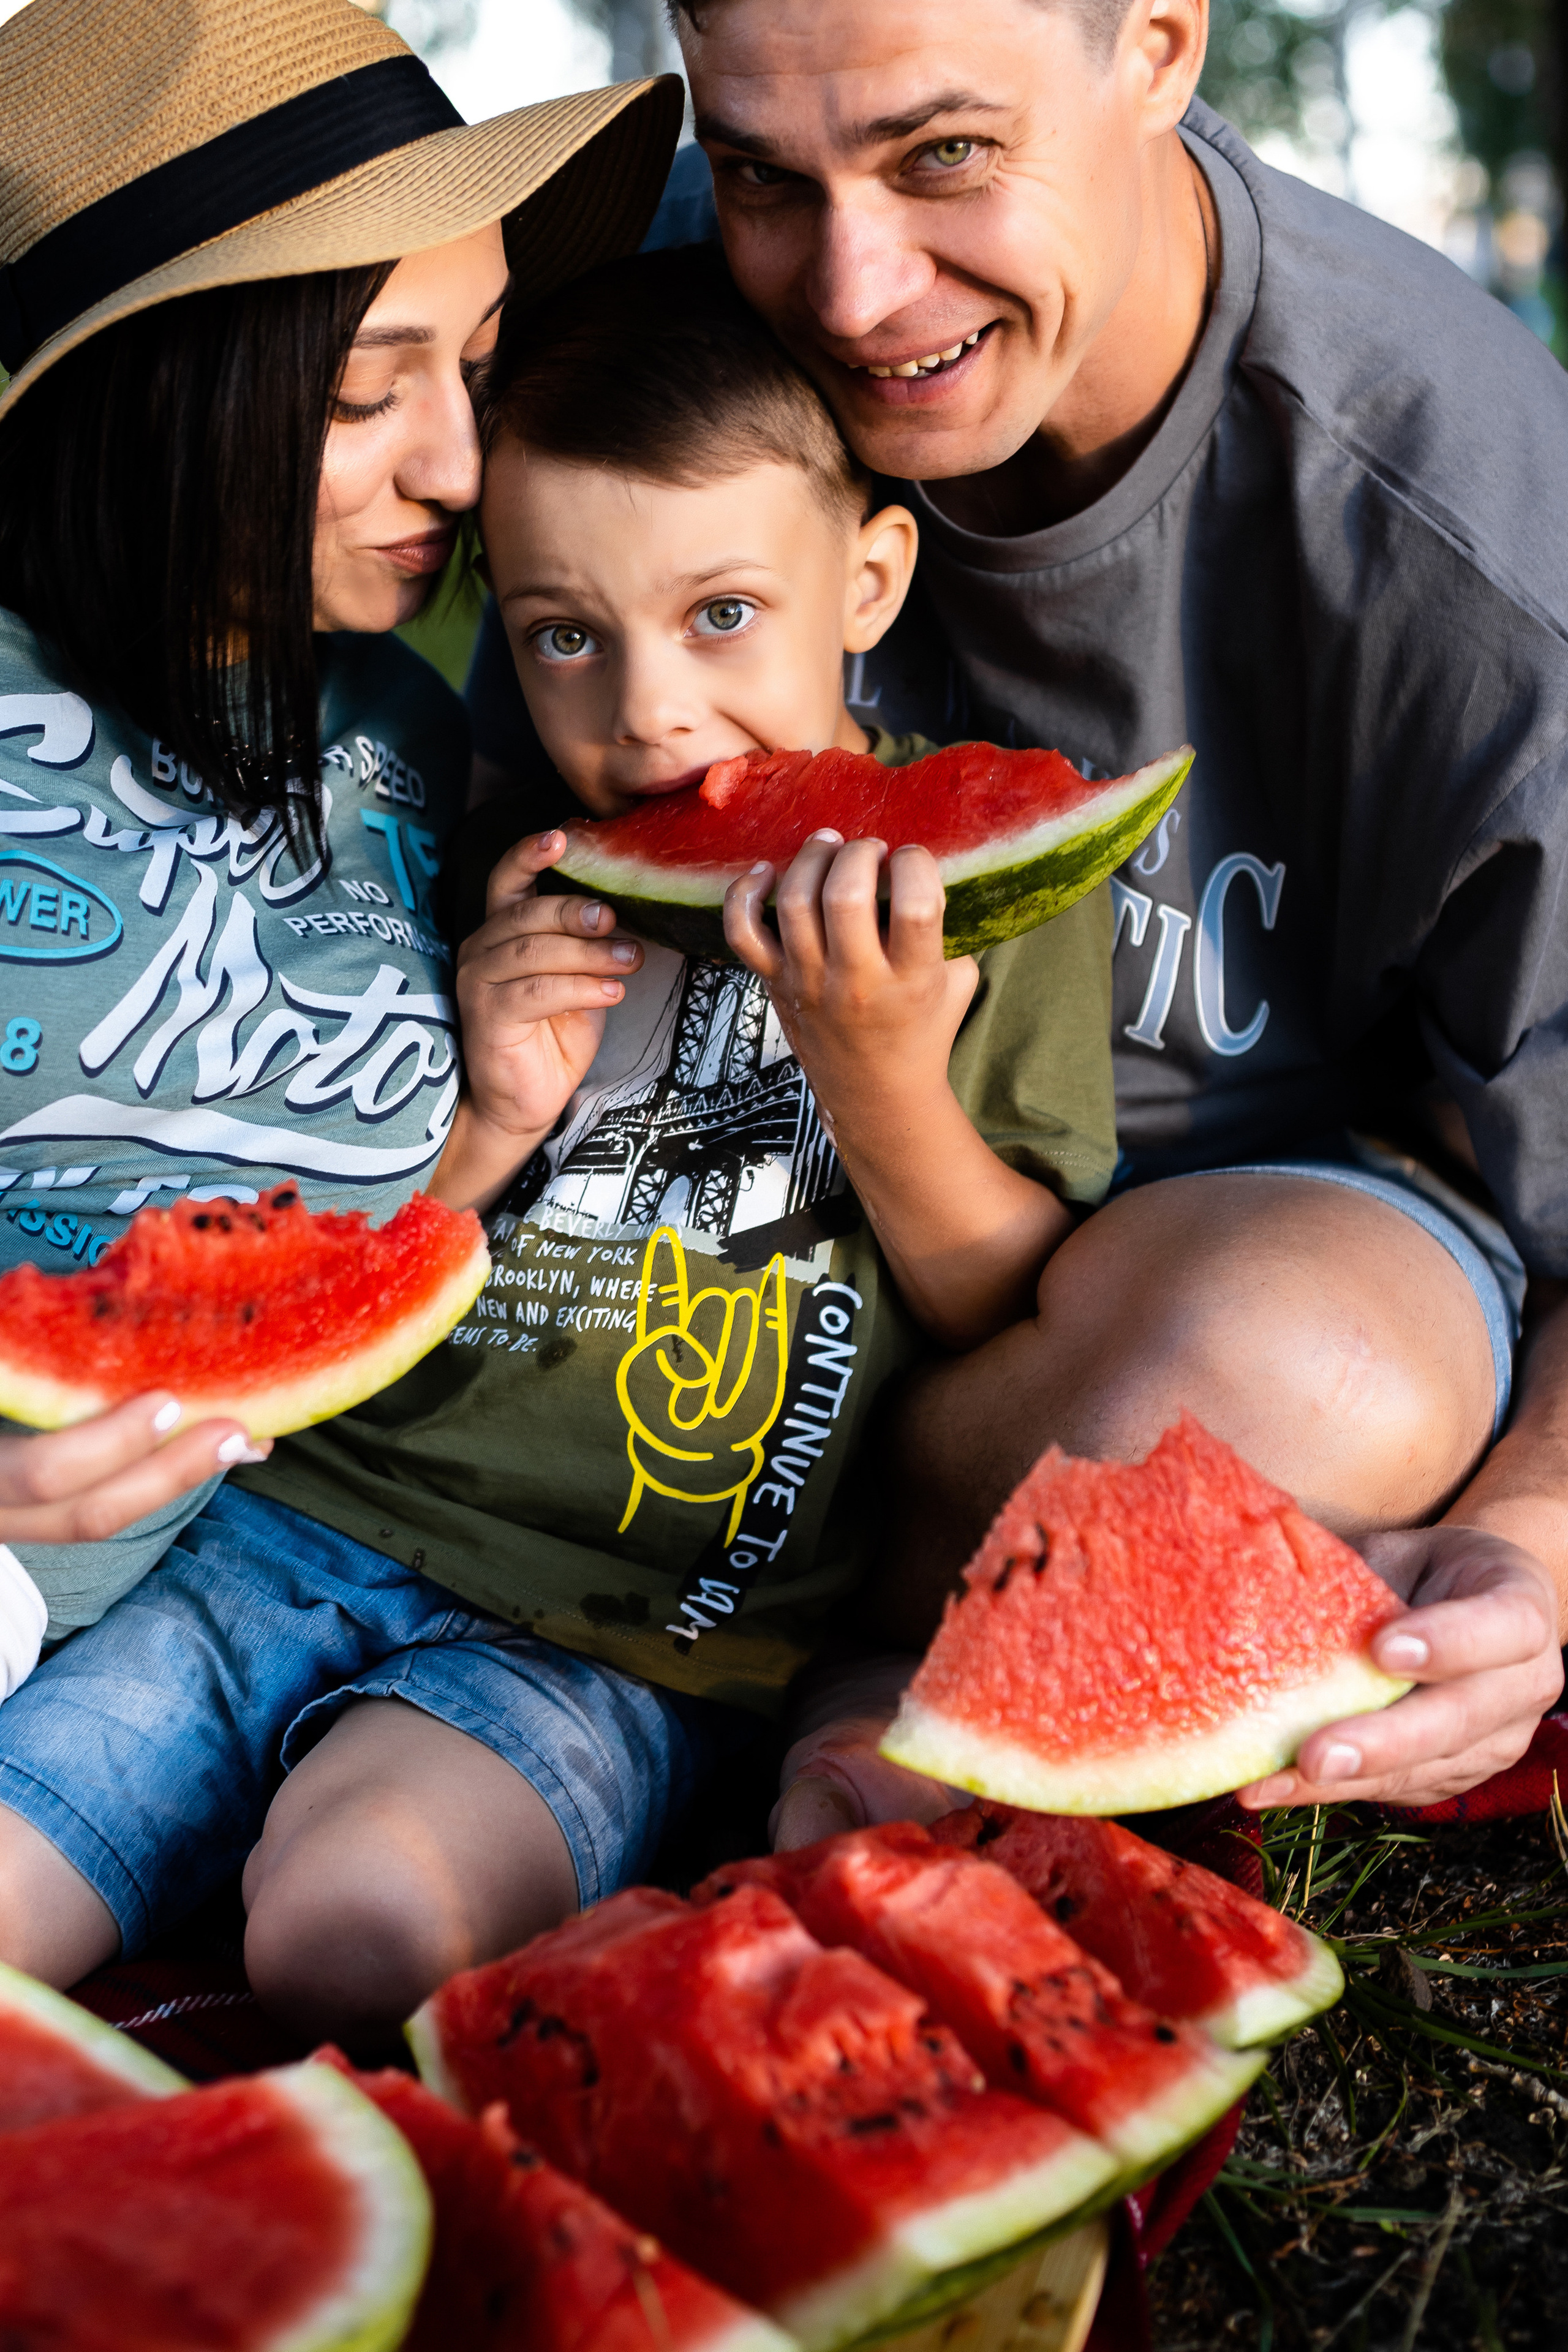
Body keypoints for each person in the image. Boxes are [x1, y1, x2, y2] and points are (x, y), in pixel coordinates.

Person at [1, 244, 1119, 2042]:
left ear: (875, 574)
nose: (653, 713)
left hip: (627, 1626)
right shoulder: (502, 852)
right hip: (295, 1530)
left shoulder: (987, 904)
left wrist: (886, 1069)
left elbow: (1009, 1312)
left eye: (724, 616)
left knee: (350, 1933)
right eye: (565, 638)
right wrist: (493, 1112)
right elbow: (375, 1257)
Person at [654, 0, 1568, 1826]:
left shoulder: (1471, 541)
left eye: (943, 158)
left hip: (1206, 1280)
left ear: (1156, 46)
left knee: (1304, 1386)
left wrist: (1533, 1547)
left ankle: (781, 1643)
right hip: (722, 1207)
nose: (847, 291)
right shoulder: (657, 307)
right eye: (762, 173)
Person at [0, 0, 680, 1982]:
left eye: (472, 370)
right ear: (158, 384)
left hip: (201, 1633)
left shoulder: (400, 735)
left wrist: (486, 1122)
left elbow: (346, 1271)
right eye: (375, 387)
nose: (461, 464)